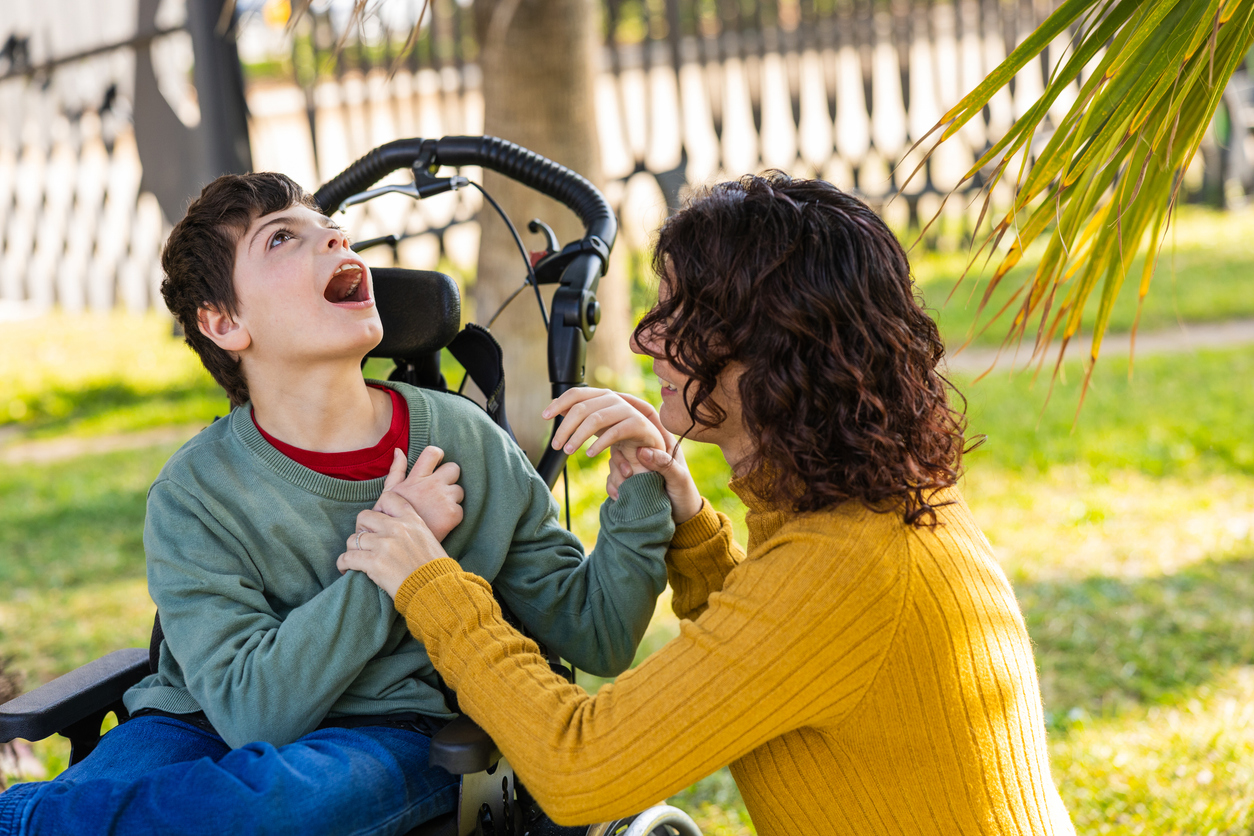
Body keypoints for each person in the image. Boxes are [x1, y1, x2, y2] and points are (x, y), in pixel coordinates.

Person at [339, 173, 1077, 834]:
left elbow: (578, 767)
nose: (646, 337)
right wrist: (690, 519)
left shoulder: (840, 570)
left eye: (681, 317)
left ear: (776, 347)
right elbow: (784, 652)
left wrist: (430, 585)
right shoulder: (894, 505)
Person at [0, 172, 676, 836]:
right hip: (192, 720)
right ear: (224, 322)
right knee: (107, 795)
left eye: (335, 232)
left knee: (274, 807)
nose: (336, 243)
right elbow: (247, 710)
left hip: (393, 729)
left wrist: (643, 478)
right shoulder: (194, 494)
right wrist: (394, 547)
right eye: (281, 240)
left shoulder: (466, 444)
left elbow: (599, 633)